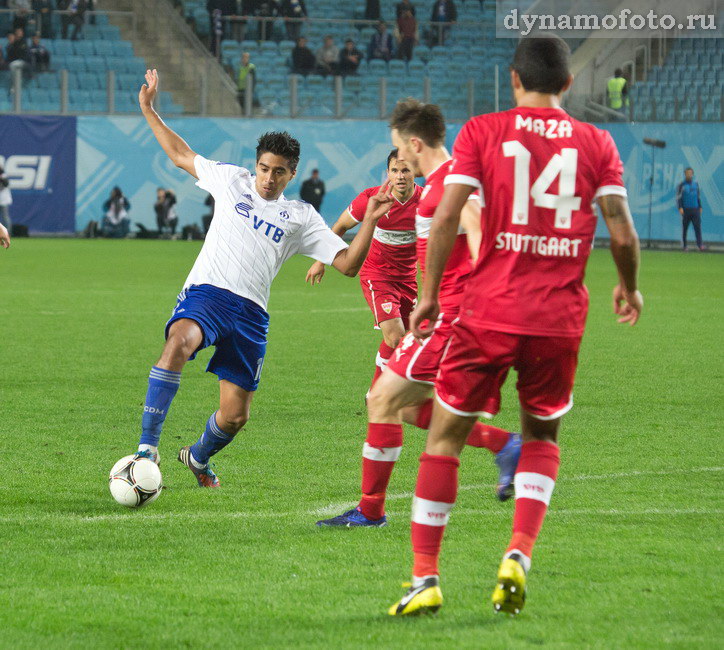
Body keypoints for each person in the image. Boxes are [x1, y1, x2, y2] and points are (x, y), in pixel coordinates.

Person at [388, 35, 643, 617]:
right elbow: (622, 232)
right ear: (570, 84)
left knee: (444, 438)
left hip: (488, 312)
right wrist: (628, 286)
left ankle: (425, 577)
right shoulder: (597, 141)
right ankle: (518, 556)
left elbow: (449, 213)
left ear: (513, 81)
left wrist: (427, 297)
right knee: (542, 437)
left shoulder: (483, 131)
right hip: (557, 319)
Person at [132, 68, 395, 488]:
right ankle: (146, 449)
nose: (268, 178)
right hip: (208, 294)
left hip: (252, 314)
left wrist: (372, 222)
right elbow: (180, 154)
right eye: (264, 168)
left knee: (235, 416)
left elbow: (347, 264)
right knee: (177, 343)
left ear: (292, 174)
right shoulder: (231, 180)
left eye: (279, 172)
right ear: (255, 164)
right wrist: (149, 109)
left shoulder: (301, 216)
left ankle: (197, 457)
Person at [316, 99, 520, 529]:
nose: (398, 162)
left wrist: (483, 296)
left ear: (412, 143)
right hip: (442, 311)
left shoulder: (448, 182)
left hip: (456, 317)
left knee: (382, 400)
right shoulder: (449, 178)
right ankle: (504, 446)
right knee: (399, 406)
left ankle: (372, 513)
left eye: (398, 151)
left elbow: (480, 226)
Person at [306, 150, 419, 393]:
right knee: (396, 337)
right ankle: (379, 394)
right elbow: (341, 226)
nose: (400, 176)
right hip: (377, 274)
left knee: (405, 340)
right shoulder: (372, 198)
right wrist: (321, 260)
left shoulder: (428, 202)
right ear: (387, 173)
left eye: (406, 170)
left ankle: (377, 392)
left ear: (415, 172)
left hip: (408, 278)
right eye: (395, 170)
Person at [677, 167, 705, 251]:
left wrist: (700, 206)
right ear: (685, 174)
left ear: (692, 174)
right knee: (685, 229)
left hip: (695, 209)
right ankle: (684, 246)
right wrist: (680, 207)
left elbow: (698, 197)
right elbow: (678, 197)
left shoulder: (696, 184)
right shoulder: (682, 185)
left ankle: (700, 245)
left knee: (697, 227)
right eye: (687, 173)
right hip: (686, 210)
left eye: (690, 173)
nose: (689, 174)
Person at [0, 163, 12, 234]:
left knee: (5, 217)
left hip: (3, 200)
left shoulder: (4, 176)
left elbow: (6, 184)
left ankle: (8, 233)